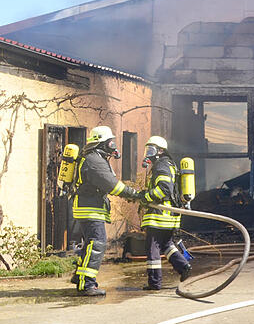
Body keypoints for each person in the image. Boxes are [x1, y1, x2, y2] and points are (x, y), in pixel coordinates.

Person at [70, 126, 141, 297]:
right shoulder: (94, 161)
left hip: (89, 207)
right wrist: (135, 194)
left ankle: (79, 276)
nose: (113, 145)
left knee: (90, 244)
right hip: (90, 209)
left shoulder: (95, 158)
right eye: (111, 142)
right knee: (97, 243)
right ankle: (86, 284)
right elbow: (112, 185)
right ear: (102, 142)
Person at [135, 135, 192, 290]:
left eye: (151, 149)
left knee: (152, 246)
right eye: (147, 149)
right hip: (170, 216)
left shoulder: (161, 165)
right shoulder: (169, 164)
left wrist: (146, 197)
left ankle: (154, 283)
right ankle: (183, 267)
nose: (148, 153)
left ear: (160, 151)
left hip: (160, 215)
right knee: (166, 244)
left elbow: (164, 189)